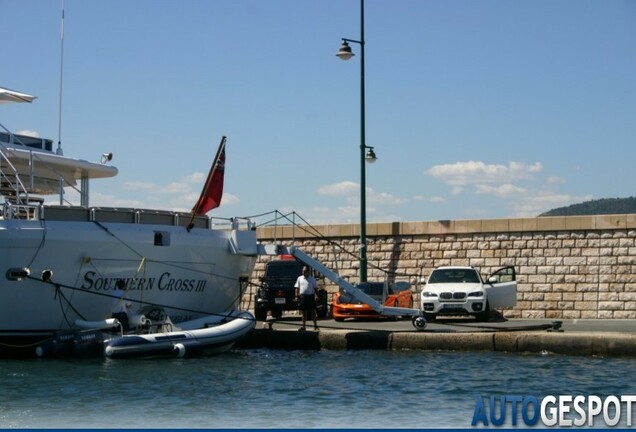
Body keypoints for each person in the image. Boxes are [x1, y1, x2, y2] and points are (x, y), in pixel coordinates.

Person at [294, 266, 319, 331]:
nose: (303, 273)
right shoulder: (300, 278)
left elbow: (315, 288)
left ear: (308, 272)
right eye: (302, 271)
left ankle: (315, 325)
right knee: (304, 312)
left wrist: (317, 296)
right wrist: (296, 296)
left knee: (312, 312)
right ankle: (303, 326)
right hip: (303, 297)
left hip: (310, 296)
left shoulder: (312, 279)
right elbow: (297, 288)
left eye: (304, 271)